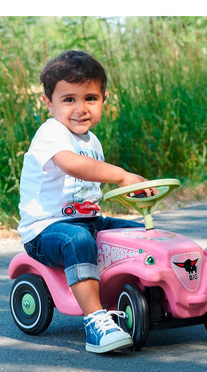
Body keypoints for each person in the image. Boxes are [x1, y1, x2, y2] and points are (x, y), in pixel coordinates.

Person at [17, 50, 149, 353]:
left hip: (89, 221)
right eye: (68, 100)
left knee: (139, 235)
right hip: (47, 229)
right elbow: (72, 165)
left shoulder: (91, 140)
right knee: (76, 239)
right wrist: (120, 175)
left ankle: (144, 302)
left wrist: (134, 194)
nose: (80, 108)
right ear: (48, 102)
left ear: (103, 98)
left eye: (90, 98)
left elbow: (89, 190)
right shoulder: (51, 133)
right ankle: (94, 321)